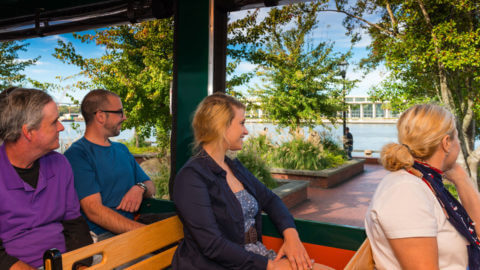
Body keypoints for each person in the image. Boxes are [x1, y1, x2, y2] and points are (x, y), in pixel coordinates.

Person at [173, 92, 332, 270]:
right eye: (241, 123)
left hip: (255, 258)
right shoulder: (191, 177)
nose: (246, 131)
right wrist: (271, 266)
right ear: (221, 126)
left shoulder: (233, 166)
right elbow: (212, 245)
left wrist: (291, 236)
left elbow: (270, 200)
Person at [365, 104, 480, 269]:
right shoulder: (405, 192)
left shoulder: (424, 180)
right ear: (446, 143)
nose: (460, 143)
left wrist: (460, 177)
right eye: (457, 136)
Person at [0, 87, 92, 270]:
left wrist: (80, 265)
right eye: (54, 122)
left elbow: (74, 224)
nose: (61, 127)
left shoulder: (60, 164)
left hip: (65, 262)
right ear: (28, 132)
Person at [64, 89, 155, 241]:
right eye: (119, 112)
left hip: (133, 230)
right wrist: (148, 234)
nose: (124, 117)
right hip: (102, 239)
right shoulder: (77, 155)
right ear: (100, 116)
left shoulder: (122, 150)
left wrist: (139, 188)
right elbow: (94, 211)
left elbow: (150, 186)